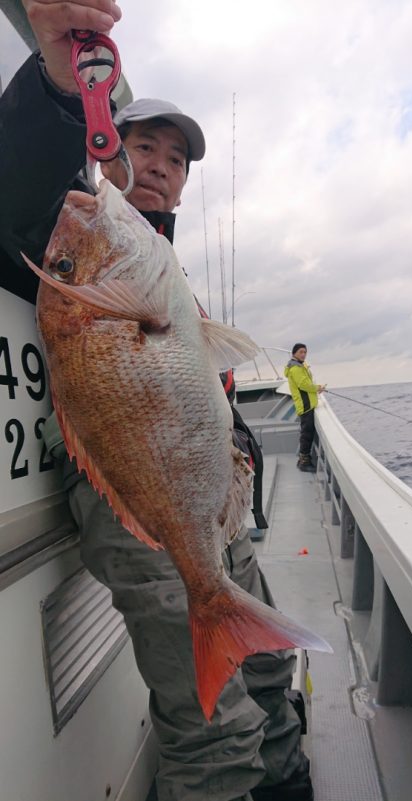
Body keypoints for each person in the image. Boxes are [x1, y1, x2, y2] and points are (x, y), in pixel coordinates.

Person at [0, 3, 313, 800]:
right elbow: (21, 188)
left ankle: (288, 781)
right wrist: (60, 88)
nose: (163, 166)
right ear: (106, 147)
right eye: (144, 145)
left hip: (207, 494)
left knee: (269, 662)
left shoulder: (152, 263)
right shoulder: (71, 228)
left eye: (177, 158)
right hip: (144, 495)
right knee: (212, 722)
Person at [284, 344, 325, 472]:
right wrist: (318, 388)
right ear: (294, 353)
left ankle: (303, 459)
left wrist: (316, 389)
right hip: (305, 405)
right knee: (306, 434)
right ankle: (304, 463)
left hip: (307, 404)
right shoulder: (296, 368)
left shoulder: (299, 365)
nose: (303, 354)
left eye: (305, 352)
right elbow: (303, 385)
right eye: (301, 352)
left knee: (307, 433)